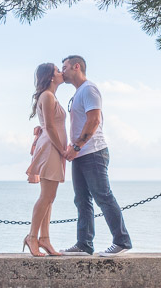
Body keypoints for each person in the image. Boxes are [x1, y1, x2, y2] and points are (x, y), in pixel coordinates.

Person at [59, 55, 132, 257]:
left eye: (64, 67)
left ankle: (122, 241)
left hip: (93, 152)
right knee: (81, 200)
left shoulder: (89, 89)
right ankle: (84, 244)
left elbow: (94, 120)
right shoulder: (78, 93)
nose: (61, 71)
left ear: (76, 67)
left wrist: (77, 145)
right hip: (81, 154)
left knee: (103, 196)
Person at [23, 62, 68, 256]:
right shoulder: (48, 96)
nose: (61, 73)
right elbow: (49, 127)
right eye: (58, 71)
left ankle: (45, 239)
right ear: (51, 76)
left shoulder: (50, 96)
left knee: (50, 196)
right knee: (46, 196)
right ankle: (32, 237)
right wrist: (62, 150)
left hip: (51, 148)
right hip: (51, 148)